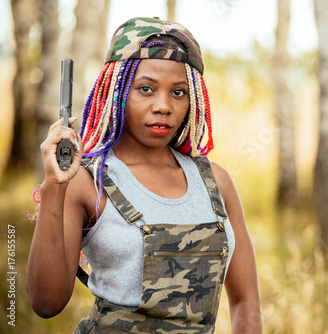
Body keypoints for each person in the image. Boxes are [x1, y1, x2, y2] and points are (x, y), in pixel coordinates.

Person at [27, 17, 262, 333]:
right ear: (117, 92)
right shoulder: (85, 182)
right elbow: (46, 304)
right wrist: (54, 187)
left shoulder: (216, 182)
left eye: (178, 92)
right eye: (146, 89)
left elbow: (245, 301)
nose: (163, 106)